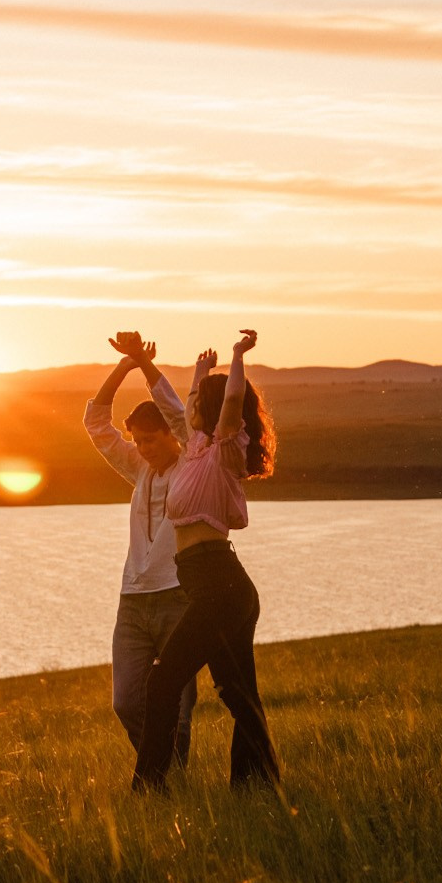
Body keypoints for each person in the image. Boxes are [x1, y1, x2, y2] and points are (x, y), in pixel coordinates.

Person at [133, 329, 282, 792]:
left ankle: (148, 791)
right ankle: (258, 788)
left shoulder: (223, 451)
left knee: (162, 686)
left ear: (218, 417)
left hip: (220, 585)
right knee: (239, 696)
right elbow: (187, 402)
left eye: (200, 403)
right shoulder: (196, 448)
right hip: (214, 585)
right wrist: (198, 371)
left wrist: (236, 359)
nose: (190, 407)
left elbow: (232, 400)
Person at [84, 330, 198, 766]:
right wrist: (124, 366)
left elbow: (178, 414)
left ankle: (169, 783)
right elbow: (96, 424)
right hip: (132, 600)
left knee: (179, 710)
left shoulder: (191, 465)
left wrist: (148, 367)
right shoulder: (138, 467)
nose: (144, 449)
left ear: (171, 437)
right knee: (127, 703)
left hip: (178, 598)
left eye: (152, 440)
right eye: (139, 441)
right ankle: (163, 770)